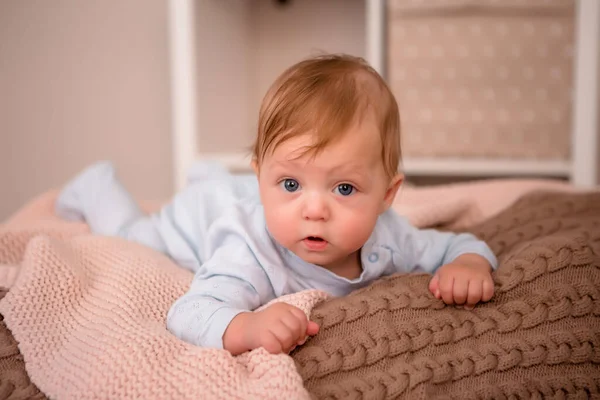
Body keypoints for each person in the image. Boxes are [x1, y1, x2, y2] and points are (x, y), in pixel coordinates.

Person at [55, 54, 498, 356]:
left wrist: (471, 265)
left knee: (232, 190)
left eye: (343, 189)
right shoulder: (249, 251)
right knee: (133, 238)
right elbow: (189, 312)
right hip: (197, 218)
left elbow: (456, 246)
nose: (314, 210)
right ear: (261, 176)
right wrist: (246, 328)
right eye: (290, 183)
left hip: (238, 193)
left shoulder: (390, 237)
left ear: (387, 195)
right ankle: (96, 187)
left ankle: (219, 176)